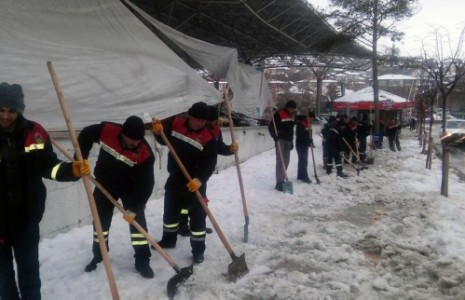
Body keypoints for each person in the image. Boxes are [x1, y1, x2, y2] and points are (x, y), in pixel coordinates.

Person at [0, 82, 90, 300]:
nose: (4, 116)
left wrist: (73, 170)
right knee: (3, 276)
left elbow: (50, 166)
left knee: (29, 271)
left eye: (11, 110)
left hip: (27, 218)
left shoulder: (35, 133)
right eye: (1, 109)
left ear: (19, 109)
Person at [78, 115, 155, 278]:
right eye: (130, 140)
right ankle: (99, 257)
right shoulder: (108, 131)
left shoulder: (145, 154)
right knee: (100, 224)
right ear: (122, 133)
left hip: (131, 189)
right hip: (104, 184)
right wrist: (80, 159)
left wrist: (135, 208)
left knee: (137, 226)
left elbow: (146, 186)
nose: (133, 144)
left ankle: (142, 260)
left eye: (137, 141)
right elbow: (86, 134)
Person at [151, 101, 217, 264]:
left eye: (203, 121)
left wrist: (200, 180)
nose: (200, 123)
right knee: (170, 211)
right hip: (176, 177)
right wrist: (157, 132)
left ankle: (198, 251)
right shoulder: (176, 124)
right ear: (190, 116)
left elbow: (210, 163)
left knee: (197, 217)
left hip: (195, 181)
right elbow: (162, 140)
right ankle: (168, 240)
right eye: (197, 119)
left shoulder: (208, 136)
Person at [177, 105, 238, 237]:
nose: (209, 124)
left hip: (202, 174)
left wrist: (230, 150)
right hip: (187, 171)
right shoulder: (197, 130)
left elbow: (219, 148)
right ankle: (182, 225)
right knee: (184, 202)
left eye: (211, 121)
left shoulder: (216, 131)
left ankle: (198, 226)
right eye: (207, 121)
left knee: (200, 203)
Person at [268, 100, 297, 191]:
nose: (292, 110)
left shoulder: (293, 116)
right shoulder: (279, 114)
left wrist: (292, 142)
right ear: (287, 107)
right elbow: (271, 127)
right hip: (280, 140)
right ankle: (279, 182)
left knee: (286, 161)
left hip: (288, 140)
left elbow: (292, 130)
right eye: (291, 109)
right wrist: (274, 137)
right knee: (280, 161)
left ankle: (283, 179)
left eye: (294, 109)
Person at [295, 111, 314, 183]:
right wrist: (308, 140)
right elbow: (300, 135)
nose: (312, 120)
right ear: (307, 117)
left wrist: (310, 141)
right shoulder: (301, 124)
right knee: (303, 160)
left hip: (305, 144)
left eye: (313, 119)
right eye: (311, 118)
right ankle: (304, 176)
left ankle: (300, 175)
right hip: (300, 144)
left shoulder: (309, 124)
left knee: (302, 160)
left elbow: (309, 134)